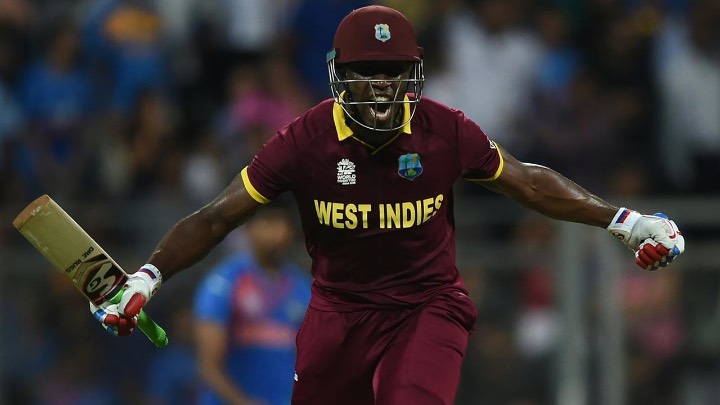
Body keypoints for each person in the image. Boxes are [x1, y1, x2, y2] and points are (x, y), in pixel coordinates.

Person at [90, 5, 686, 405]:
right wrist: (147, 276)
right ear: (337, 75)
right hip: (339, 311)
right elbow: (219, 216)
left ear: (414, 74)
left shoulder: (445, 130)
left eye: (392, 71)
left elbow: (528, 183)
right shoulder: (303, 140)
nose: (380, 86)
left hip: (427, 305)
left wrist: (625, 220)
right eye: (366, 72)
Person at [193, 207, 311, 405]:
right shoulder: (224, 282)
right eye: (268, 223)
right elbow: (208, 365)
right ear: (249, 228)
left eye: (282, 225)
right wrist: (242, 402)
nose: (277, 232)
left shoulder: (303, 287)